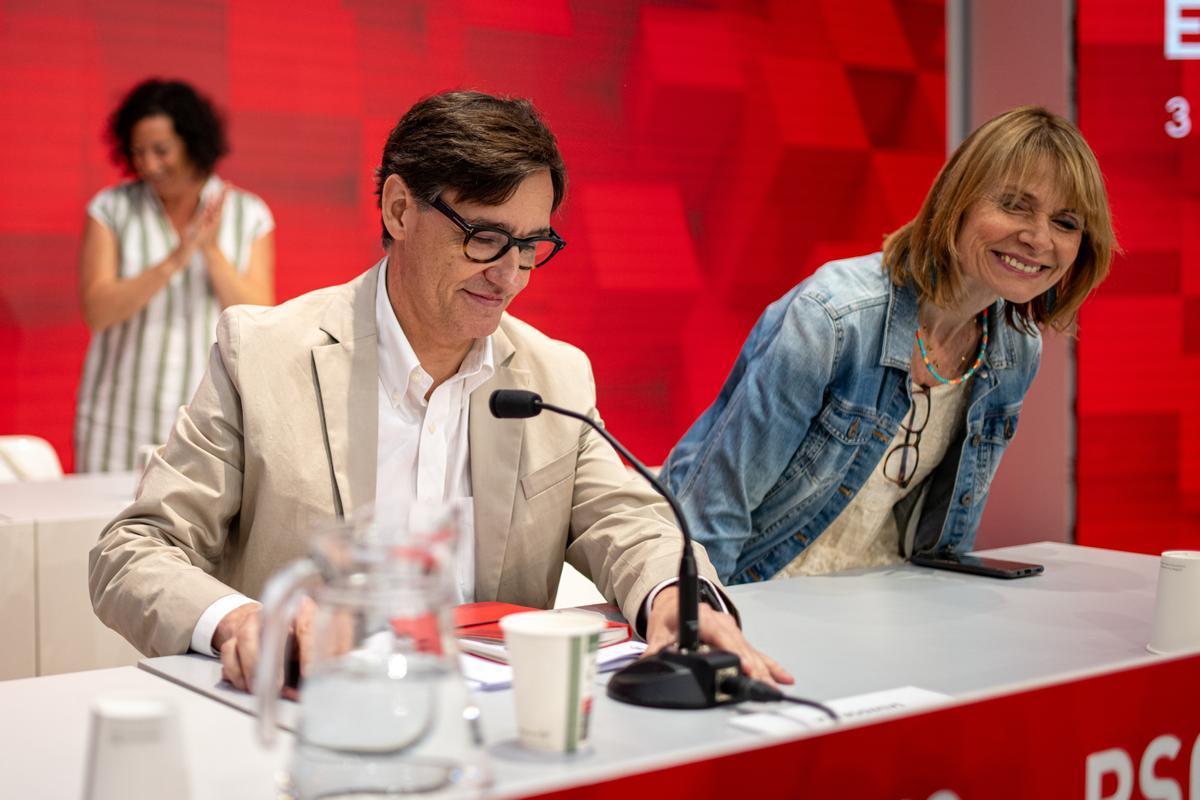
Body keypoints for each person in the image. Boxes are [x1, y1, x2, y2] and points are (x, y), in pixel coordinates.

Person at [89, 90, 789, 691]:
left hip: (496, 733)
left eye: (531, 245)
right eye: (485, 237)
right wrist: (237, 621)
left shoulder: (553, 376)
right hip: (312, 722)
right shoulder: (264, 353)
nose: (509, 274)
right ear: (399, 208)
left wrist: (674, 601)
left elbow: (630, 523)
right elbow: (133, 551)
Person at [662, 106, 1115, 584]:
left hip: (881, 598)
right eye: (1014, 205)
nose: (1038, 237)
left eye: (1066, 222)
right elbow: (711, 518)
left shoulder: (1014, 349)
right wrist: (714, 636)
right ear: (957, 199)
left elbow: (946, 539)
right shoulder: (834, 319)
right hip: (758, 587)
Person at [74, 78, 275, 473]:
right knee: (109, 531)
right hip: (117, 419)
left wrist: (210, 251)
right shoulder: (112, 209)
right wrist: (175, 259)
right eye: (139, 152)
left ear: (193, 143)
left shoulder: (248, 214)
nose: (149, 164)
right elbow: (97, 311)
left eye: (161, 150)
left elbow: (259, 320)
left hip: (209, 424)